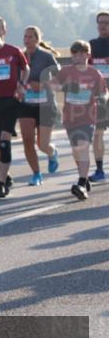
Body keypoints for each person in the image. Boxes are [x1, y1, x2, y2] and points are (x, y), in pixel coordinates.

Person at [50, 40, 108, 199]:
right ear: (72, 55)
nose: (79, 56)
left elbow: (103, 92)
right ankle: (83, 177)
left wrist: (102, 98)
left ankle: (81, 182)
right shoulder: (66, 72)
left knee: (82, 147)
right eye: (75, 53)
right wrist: (60, 87)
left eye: (82, 53)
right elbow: (53, 84)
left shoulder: (94, 73)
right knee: (77, 150)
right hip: (70, 118)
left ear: (88, 55)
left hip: (88, 117)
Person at [0, 16, 30, 198]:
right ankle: (5, 174)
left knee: (4, 141)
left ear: (4, 31)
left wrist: (22, 85)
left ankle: (1, 183)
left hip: (10, 102)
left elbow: (26, 69)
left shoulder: (13, 51)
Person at [18, 26, 61, 185]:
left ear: (37, 39)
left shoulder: (47, 57)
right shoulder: (19, 56)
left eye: (30, 37)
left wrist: (44, 84)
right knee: (27, 140)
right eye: (25, 37)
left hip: (46, 105)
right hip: (26, 104)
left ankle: (52, 152)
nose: (27, 40)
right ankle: (36, 174)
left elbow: (60, 79)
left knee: (42, 144)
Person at [89, 11, 109, 181]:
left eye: (106, 23)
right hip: (100, 96)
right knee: (98, 133)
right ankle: (100, 169)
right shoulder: (91, 46)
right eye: (100, 22)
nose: (103, 25)